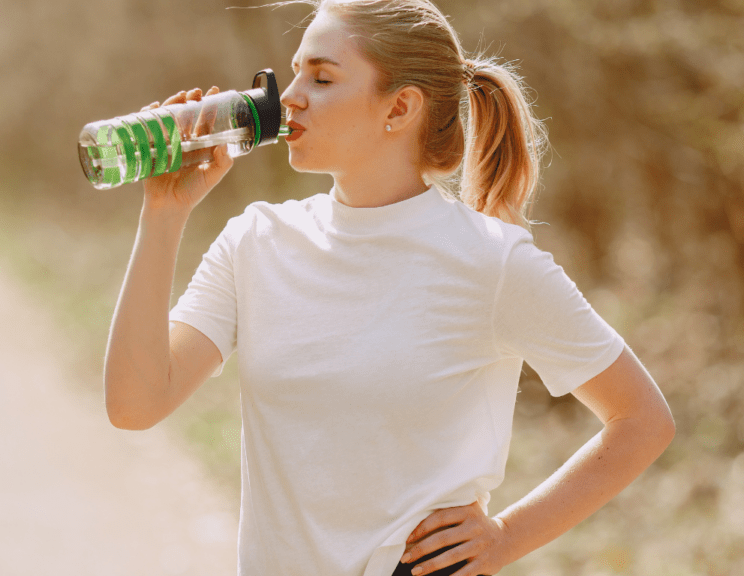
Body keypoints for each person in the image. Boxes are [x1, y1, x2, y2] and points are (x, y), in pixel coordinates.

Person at [103, 1, 676, 575]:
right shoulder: (255, 242)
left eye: (322, 78)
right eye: (294, 71)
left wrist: (505, 537)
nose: (291, 96)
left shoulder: (491, 261)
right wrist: (164, 213)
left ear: (399, 108)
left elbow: (641, 421)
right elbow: (135, 404)